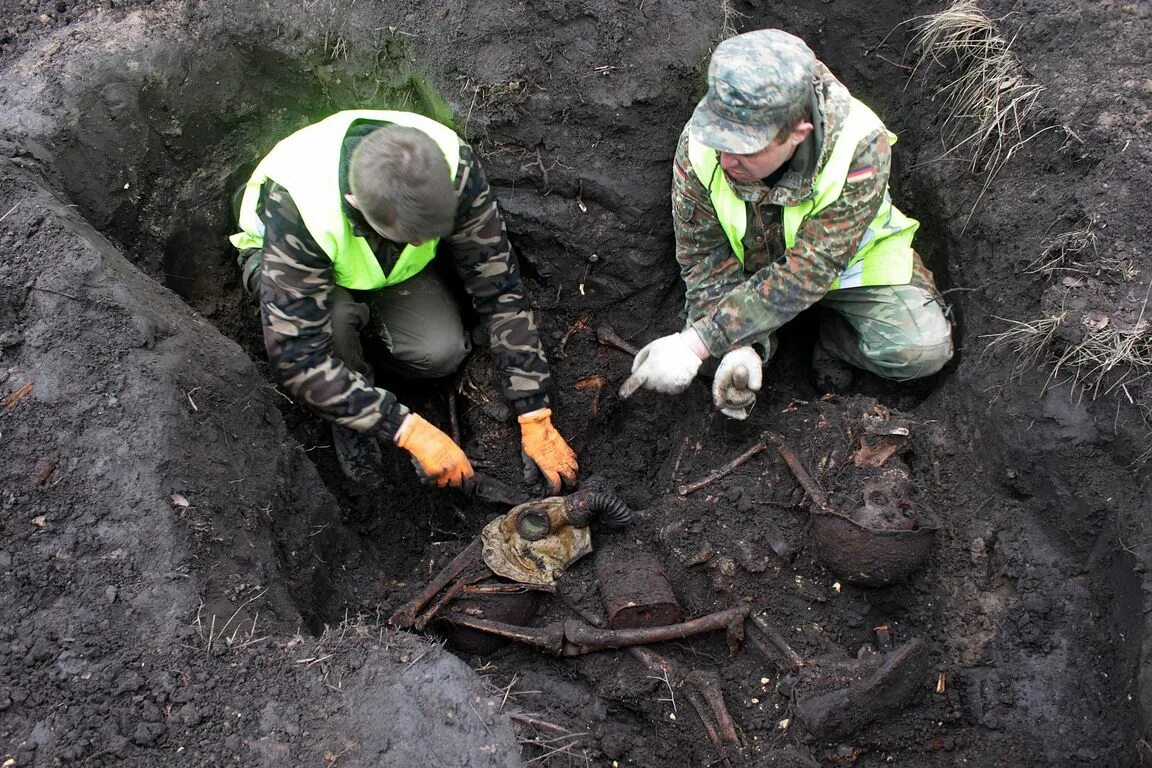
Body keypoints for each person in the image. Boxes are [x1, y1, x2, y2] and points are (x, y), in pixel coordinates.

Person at [230, 109, 578, 491]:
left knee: (441, 352)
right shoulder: (302, 205)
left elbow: (500, 289)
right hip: (292, 270)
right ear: (356, 203)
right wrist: (408, 430)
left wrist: (534, 413)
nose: (422, 242)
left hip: (390, 272)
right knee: (335, 322)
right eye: (410, 236)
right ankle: (349, 408)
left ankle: (368, 351)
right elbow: (298, 358)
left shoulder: (453, 165)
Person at [621, 29, 953, 417]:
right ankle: (763, 344)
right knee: (711, 367)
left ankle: (830, 338)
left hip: (847, 268)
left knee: (919, 350)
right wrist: (739, 347)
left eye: (747, 149)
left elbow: (809, 270)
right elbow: (702, 256)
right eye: (721, 141)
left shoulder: (860, 145)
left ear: (798, 133)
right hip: (750, 271)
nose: (726, 160)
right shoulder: (700, 145)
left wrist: (701, 339)